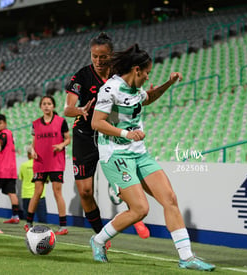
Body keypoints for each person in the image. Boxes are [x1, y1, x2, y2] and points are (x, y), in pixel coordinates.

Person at [89, 44, 216, 271]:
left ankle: (186, 257)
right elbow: (96, 123)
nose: (148, 77)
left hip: (139, 153)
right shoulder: (110, 89)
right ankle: (98, 240)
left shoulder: (136, 89)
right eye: (147, 72)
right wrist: (127, 133)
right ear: (136, 69)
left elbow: (146, 98)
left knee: (170, 198)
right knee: (140, 209)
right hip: (115, 155)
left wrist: (168, 84)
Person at [64, 32, 150, 239]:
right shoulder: (82, 76)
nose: (98, 61)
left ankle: (135, 214)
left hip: (112, 137)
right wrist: (81, 110)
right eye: (94, 56)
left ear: (111, 55)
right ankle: (100, 236)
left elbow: (135, 94)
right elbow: (67, 109)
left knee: (125, 183)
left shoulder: (120, 74)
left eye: (103, 56)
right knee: (85, 191)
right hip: (85, 136)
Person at [24, 95, 70, 235]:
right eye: (44, 104)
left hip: (56, 161)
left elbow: (68, 139)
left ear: (53, 106)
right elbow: (34, 141)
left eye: (49, 103)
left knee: (57, 192)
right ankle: (28, 223)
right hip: (40, 162)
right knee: (37, 192)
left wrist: (61, 145)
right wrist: (32, 150)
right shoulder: (35, 123)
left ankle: (62, 226)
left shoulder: (61, 122)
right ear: (40, 107)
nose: (46, 106)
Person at [19, 146, 47, 223]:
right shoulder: (42, 165)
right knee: (42, 220)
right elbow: (47, 180)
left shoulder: (23, 165)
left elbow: (21, 177)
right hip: (40, 195)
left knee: (27, 219)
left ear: (28, 154)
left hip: (26, 194)